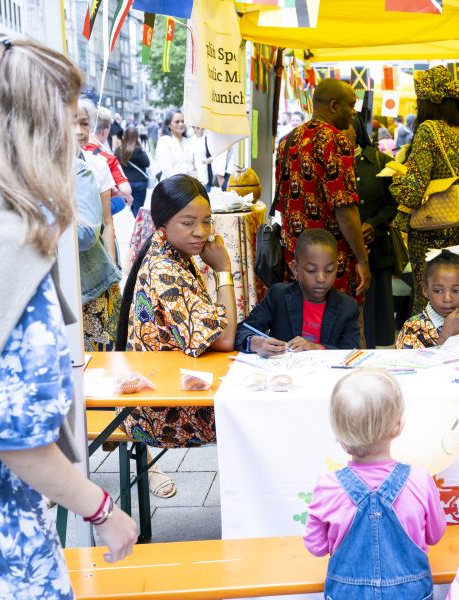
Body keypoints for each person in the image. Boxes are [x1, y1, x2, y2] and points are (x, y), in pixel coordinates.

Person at [0, 38, 138, 598]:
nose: (80, 136)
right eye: (71, 119)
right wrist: (102, 509)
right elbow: (15, 439)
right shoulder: (11, 248)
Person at [116, 174, 237, 497]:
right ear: (163, 223)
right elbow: (224, 340)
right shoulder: (165, 268)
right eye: (188, 222)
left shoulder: (170, 252)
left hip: (163, 391)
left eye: (207, 222)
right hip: (162, 412)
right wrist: (224, 269)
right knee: (259, 414)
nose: (201, 232)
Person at [304, 369, 447, 598]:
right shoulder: (420, 479)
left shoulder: (328, 485)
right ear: (398, 425)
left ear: (340, 436)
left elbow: (316, 547)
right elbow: (435, 535)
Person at [390, 66, 459, 314]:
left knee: (428, 299)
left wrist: (394, 181)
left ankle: (424, 347)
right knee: (458, 295)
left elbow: (413, 192)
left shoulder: (429, 131)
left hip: (430, 229)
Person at [276, 78, 370, 306]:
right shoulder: (337, 142)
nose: (353, 113)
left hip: (297, 261)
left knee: (301, 325)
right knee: (343, 328)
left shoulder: (288, 142)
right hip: (331, 263)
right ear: (334, 106)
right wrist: (362, 259)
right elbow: (345, 210)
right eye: (351, 105)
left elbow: (282, 204)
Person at [235, 229, 361, 356]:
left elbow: (352, 352)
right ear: (295, 269)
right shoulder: (278, 296)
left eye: (329, 270)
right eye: (311, 270)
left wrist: (318, 348)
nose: (321, 279)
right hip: (284, 373)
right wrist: (254, 342)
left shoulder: (347, 307)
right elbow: (243, 330)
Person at [346, 117, 400, 348]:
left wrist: (374, 225)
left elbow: (394, 203)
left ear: (356, 129)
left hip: (375, 252)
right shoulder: (327, 162)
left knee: (375, 317)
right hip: (339, 251)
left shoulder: (380, 162)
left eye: (345, 126)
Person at [75, 103, 123, 351]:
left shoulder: (96, 166)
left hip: (95, 280)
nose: (78, 130)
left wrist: (113, 269)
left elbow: (107, 223)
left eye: (83, 124)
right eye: (71, 123)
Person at [396, 248, 459, 349]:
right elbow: (411, 364)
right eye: (438, 291)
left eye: (456, 291)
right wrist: (446, 337)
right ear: (425, 290)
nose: (447, 298)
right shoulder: (413, 328)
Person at [81, 101, 134, 209]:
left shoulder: (74, 151)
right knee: (120, 202)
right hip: (97, 210)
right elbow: (125, 190)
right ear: (105, 131)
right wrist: (117, 194)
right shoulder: (107, 158)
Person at [154, 109, 197, 180]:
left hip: (189, 186)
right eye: (177, 122)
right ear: (169, 124)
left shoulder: (188, 142)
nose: (181, 124)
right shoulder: (164, 141)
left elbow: (193, 166)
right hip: (172, 186)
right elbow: (167, 169)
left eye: (182, 121)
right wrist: (184, 182)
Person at [119, 125, 152, 217]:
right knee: (138, 207)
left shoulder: (118, 151)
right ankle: (136, 227)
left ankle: (133, 225)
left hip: (125, 184)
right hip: (140, 183)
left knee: (129, 206)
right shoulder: (138, 150)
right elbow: (147, 163)